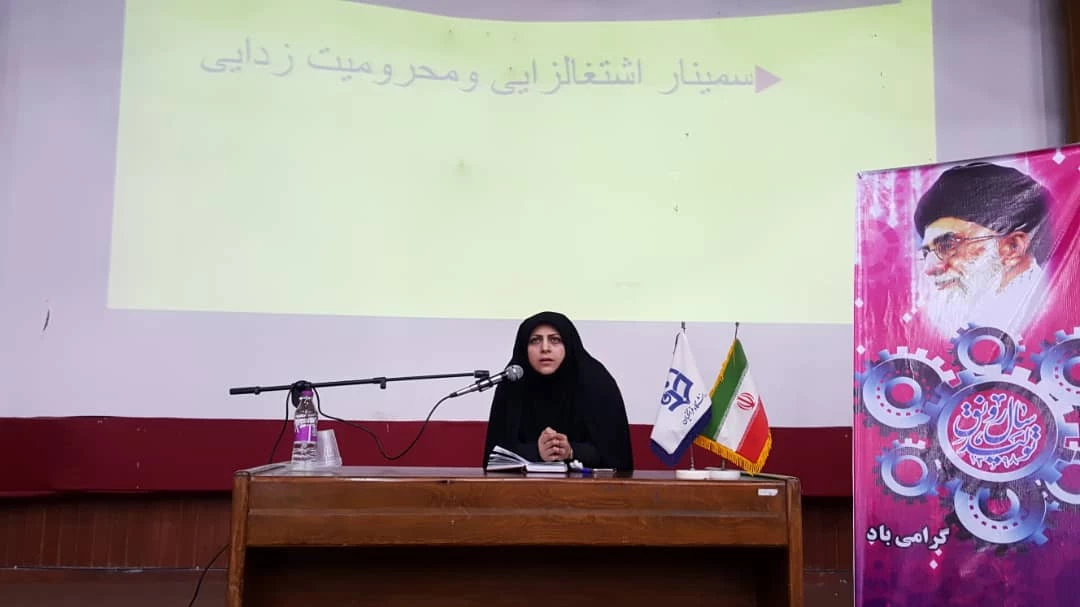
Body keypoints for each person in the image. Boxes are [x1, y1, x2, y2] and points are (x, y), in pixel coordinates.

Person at [913, 161, 1053, 338]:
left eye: (948, 245)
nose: (929, 268)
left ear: (1013, 247)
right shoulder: (970, 320)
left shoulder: (1053, 310)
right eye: (926, 253)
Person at [481, 311, 634, 471]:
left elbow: (617, 456)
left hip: (586, 486)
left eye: (555, 340)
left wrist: (571, 451)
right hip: (521, 486)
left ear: (568, 343)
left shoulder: (596, 382)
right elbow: (493, 458)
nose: (545, 348)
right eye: (535, 340)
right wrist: (536, 451)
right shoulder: (512, 383)